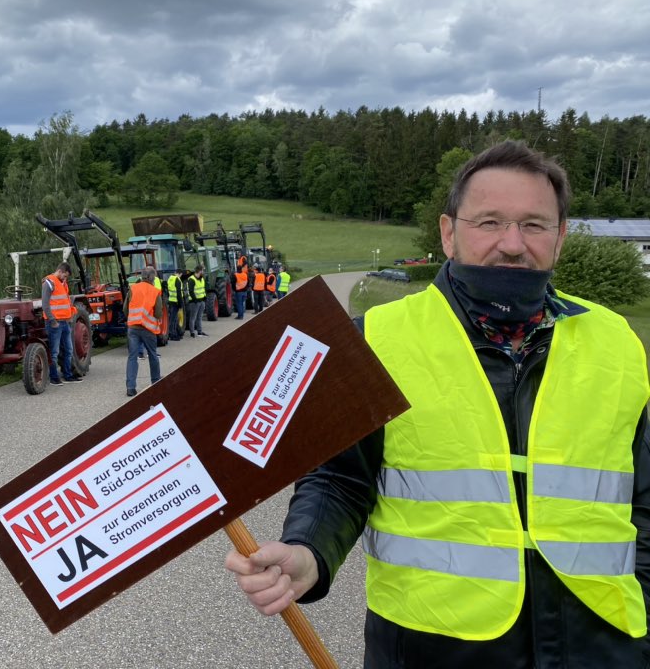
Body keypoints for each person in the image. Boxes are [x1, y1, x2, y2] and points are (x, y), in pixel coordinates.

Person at [225, 141, 650, 667]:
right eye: (489, 222)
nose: (513, 245)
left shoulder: (617, 343)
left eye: (535, 225)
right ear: (449, 233)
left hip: (602, 647)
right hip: (434, 647)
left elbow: (643, 499)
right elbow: (339, 479)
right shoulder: (377, 340)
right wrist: (309, 550)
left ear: (560, 237)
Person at [124, 266, 163, 397]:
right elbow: (158, 313)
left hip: (133, 328)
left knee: (132, 357)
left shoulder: (133, 288)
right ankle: (156, 383)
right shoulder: (155, 291)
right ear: (152, 277)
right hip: (148, 329)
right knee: (152, 354)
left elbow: (125, 309)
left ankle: (130, 387)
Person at [42, 262, 80, 385]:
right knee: (54, 352)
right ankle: (54, 378)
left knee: (68, 350)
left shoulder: (62, 283)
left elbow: (65, 302)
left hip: (64, 322)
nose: (65, 278)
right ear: (60, 271)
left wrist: (70, 315)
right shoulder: (49, 283)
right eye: (65, 276)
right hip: (55, 323)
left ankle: (68, 375)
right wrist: (53, 321)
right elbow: (45, 304)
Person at [186, 265, 208, 337]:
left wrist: (204, 298)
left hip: (201, 301)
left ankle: (199, 332)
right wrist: (195, 300)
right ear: (200, 271)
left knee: (199, 317)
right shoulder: (191, 279)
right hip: (194, 302)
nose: (203, 272)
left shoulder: (202, 279)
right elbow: (191, 291)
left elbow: (203, 289)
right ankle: (192, 332)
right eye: (203, 270)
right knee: (193, 317)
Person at [166, 270, 186, 341]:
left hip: (171, 300)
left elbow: (169, 290)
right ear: (179, 274)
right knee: (173, 319)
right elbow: (179, 293)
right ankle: (172, 334)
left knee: (172, 318)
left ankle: (173, 333)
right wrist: (180, 303)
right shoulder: (177, 280)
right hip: (176, 302)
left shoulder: (170, 278)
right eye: (181, 275)